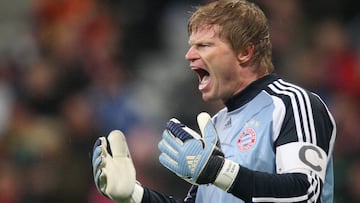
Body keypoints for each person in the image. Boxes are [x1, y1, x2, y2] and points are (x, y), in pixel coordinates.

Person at [92, 0, 337, 202]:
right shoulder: (217, 125)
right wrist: (134, 195)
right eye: (191, 46)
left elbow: (306, 193)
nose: (189, 55)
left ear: (245, 52)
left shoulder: (293, 104)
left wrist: (219, 171)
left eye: (205, 45)